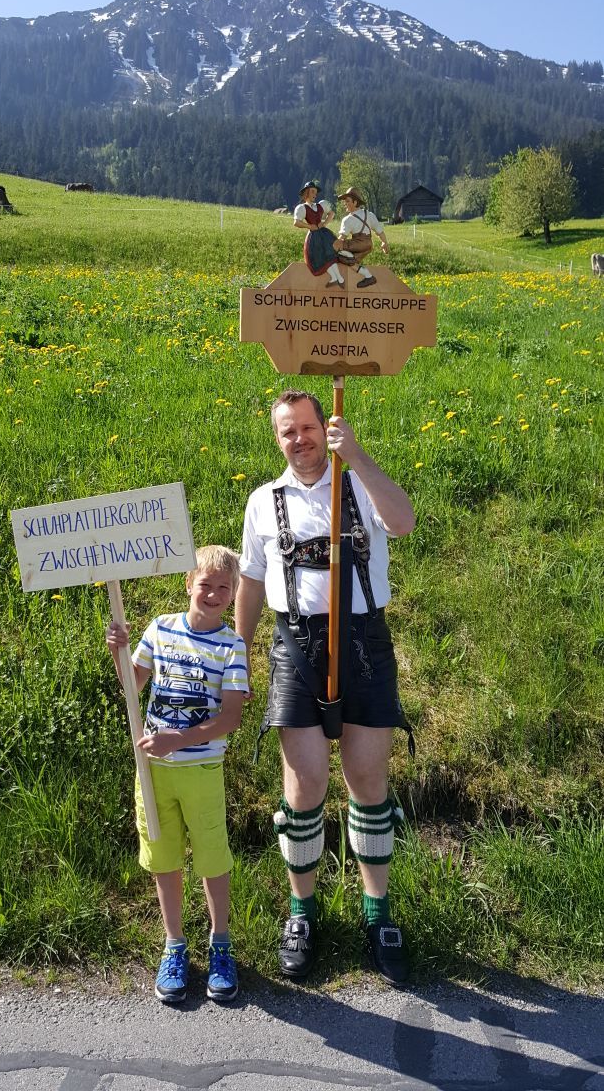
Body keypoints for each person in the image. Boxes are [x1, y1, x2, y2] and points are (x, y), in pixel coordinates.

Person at [235, 391, 415, 986]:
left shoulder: (359, 482)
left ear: (326, 428)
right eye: (288, 432)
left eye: (308, 427)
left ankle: (377, 914)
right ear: (277, 439)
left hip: (364, 642)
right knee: (306, 782)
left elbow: (404, 522)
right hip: (296, 648)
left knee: (367, 779)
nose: (300, 439)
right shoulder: (264, 501)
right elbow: (251, 580)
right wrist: (237, 653)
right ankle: (301, 911)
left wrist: (356, 455)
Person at [107, 546, 249, 1005]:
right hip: (153, 771)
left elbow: (231, 718)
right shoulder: (160, 628)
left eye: (224, 587)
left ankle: (220, 944)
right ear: (188, 584)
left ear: (234, 593)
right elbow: (133, 685)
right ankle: (174, 946)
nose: (213, 594)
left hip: (201, 769)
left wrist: (179, 740)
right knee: (164, 857)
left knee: (212, 858)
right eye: (205, 584)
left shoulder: (232, 645)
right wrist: (118, 651)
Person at [293, 180, 354, 288]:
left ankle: (341, 273)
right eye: (312, 191)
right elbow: (296, 222)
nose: (315, 194)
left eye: (315, 192)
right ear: (306, 193)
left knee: (331, 253)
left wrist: (324, 223)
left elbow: (331, 213)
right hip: (314, 237)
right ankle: (337, 278)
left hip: (324, 234)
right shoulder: (302, 207)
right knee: (321, 258)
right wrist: (309, 226)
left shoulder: (321, 205)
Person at [336, 187, 390, 289]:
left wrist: (332, 246)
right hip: (368, 245)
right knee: (349, 261)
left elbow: (341, 238)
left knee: (338, 253)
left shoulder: (348, 219)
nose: (345, 204)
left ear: (355, 202)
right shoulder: (369, 215)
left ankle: (341, 275)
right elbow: (380, 231)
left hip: (358, 244)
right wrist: (384, 243)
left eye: (347, 201)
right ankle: (368, 276)